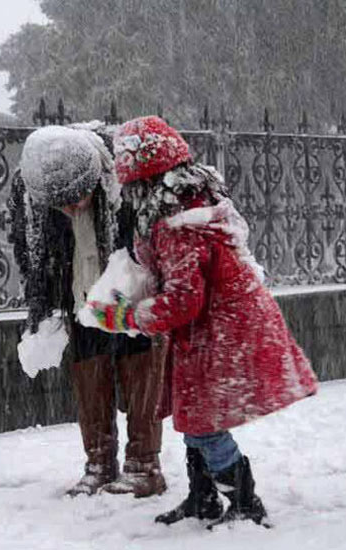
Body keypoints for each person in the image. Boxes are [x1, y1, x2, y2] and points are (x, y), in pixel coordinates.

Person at [89, 116, 318, 527]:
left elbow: (183, 300)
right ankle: (203, 497)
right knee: (193, 415)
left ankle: (245, 501)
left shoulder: (179, 225)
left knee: (204, 423)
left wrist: (127, 315)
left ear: (142, 180)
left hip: (222, 331)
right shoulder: (184, 207)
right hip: (214, 328)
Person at [12, 124, 167, 498]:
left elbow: (150, 236)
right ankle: (98, 463)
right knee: (89, 372)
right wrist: (47, 306)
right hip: (80, 299)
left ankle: (144, 465)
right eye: (60, 203)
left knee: (139, 367)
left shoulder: (124, 179)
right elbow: (28, 247)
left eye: (77, 196)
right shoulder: (34, 190)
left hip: (128, 295)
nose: (69, 206)